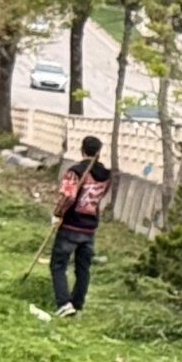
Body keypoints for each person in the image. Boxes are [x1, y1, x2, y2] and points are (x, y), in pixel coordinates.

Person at [50, 136, 113, 317]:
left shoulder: (76, 171)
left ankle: (64, 303)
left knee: (58, 264)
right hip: (89, 227)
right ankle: (77, 304)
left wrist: (57, 214)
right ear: (99, 153)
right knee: (83, 268)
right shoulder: (107, 175)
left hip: (71, 224)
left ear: (82, 150)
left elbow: (68, 196)